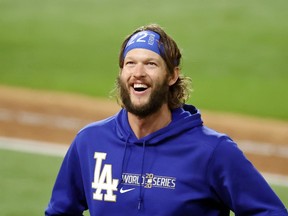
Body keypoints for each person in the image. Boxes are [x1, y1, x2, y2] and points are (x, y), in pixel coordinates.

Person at [45, 24, 287, 216]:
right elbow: (60, 211)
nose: (138, 73)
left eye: (151, 64)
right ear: (121, 73)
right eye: (130, 63)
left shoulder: (212, 152)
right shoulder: (90, 142)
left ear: (172, 76)